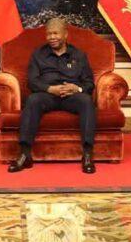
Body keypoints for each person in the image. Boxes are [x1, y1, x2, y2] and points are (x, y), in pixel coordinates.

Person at [7, 17, 98, 174]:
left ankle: (88, 154)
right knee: (33, 100)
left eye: (56, 33)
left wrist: (77, 88)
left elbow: (89, 83)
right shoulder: (38, 55)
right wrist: (50, 89)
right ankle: (24, 154)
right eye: (49, 34)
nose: (52, 37)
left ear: (65, 34)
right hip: (47, 96)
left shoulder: (79, 55)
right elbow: (32, 82)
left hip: (71, 97)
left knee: (86, 101)